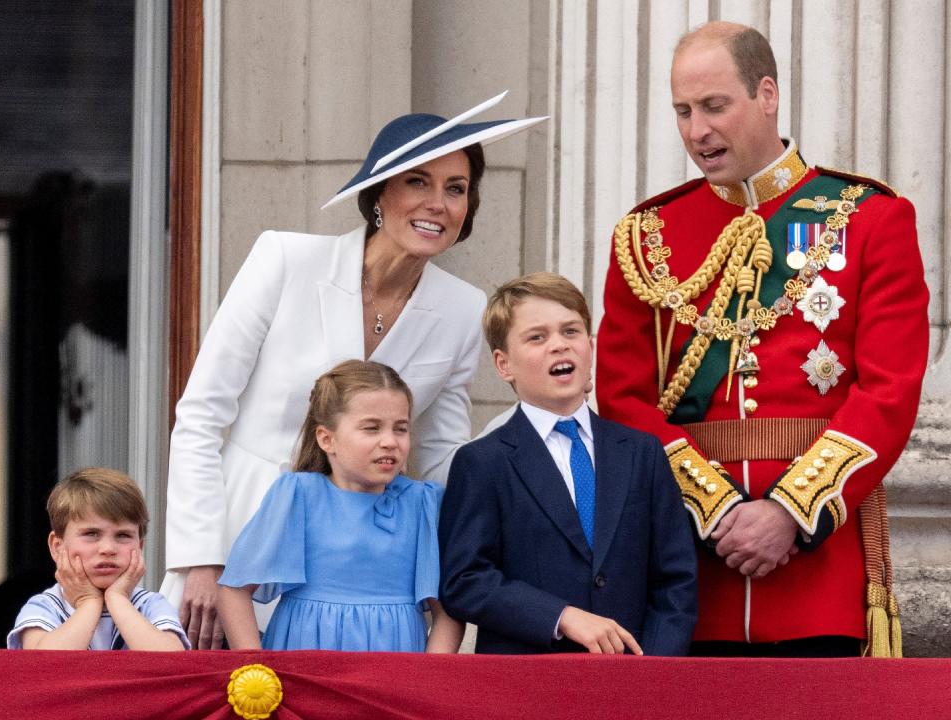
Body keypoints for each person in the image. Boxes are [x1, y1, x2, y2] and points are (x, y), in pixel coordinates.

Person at [163, 93, 546, 648]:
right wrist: (202, 557)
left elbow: (442, 460)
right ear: (379, 195)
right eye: (418, 181)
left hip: (366, 590)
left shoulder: (465, 308)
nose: (438, 203)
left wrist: (529, 432)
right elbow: (201, 415)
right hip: (237, 562)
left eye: (456, 188)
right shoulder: (284, 260)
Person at [596, 21, 929, 657]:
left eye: (715, 106)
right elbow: (623, 399)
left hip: (819, 575)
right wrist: (717, 513)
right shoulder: (646, 237)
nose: (697, 131)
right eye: (683, 111)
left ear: (767, 94)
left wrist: (789, 514)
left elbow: (888, 392)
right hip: (690, 579)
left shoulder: (869, 218)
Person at [438, 272, 697, 655]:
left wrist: (653, 673)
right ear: (503, 364)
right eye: (537, 337)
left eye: (571, 331)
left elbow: (676, 579)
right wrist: (561, 616)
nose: (559, 345)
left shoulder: (642, 452)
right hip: (526, 684)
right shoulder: (483, 462)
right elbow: (465, 580)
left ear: (590, 347)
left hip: (633, 682)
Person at [217, 360, 463, 652]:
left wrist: (425, 681)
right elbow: (233, 590)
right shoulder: (297, 496)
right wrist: (257, 669)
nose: (390, 442)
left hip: (395, 670)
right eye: (371, 428)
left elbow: (448, 612)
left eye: (400, 429)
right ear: (326, 438)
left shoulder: (423, 505)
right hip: (306, 664)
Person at [8, 468, 189, 651]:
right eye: (91, 534)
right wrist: (88, 602)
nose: (108, 549)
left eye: (123, 535)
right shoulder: (44, 607)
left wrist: (118, 599)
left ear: (140, 547)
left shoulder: (150, 605)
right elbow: (41, 665)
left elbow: (171, 660)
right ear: (57, 547)